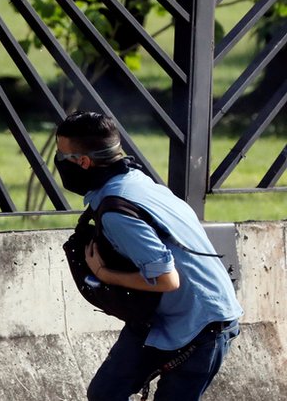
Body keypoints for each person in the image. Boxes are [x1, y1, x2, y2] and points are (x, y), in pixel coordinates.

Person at [54, 111, 242, 400]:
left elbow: (167, 279)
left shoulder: (118, 212)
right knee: (105, 393)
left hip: (204, 323)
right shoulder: (134, 180)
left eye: (62, 156)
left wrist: (104, 274)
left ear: (83, 162)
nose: (58, 162)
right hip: (160, 317)